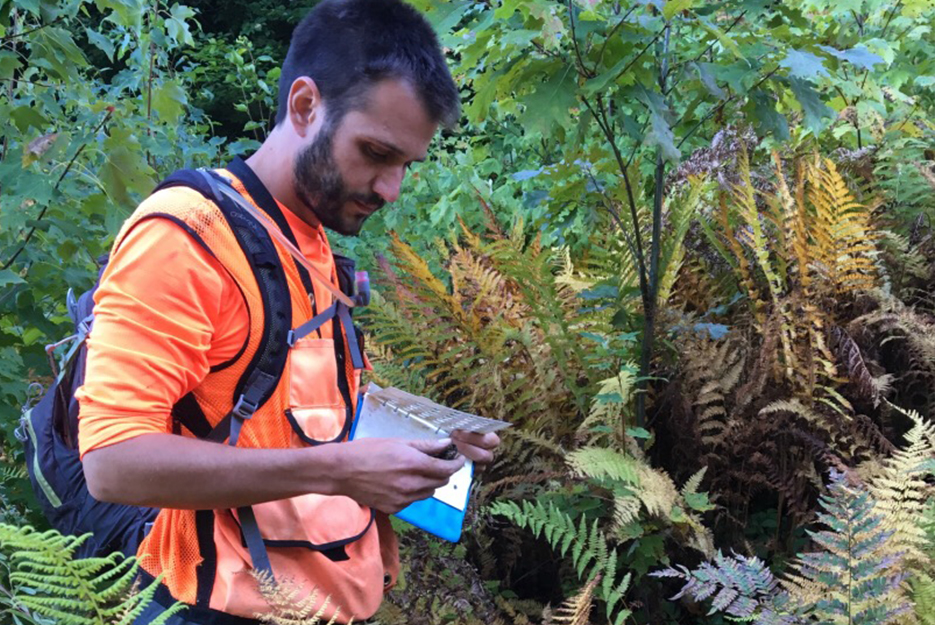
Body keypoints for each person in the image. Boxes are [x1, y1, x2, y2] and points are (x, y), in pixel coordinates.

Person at [76, 0, 501, 623]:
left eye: (406, 165)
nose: (391, 190)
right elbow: (112, 463)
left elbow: (296, 410)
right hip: (218, 607)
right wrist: (338, 472)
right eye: (377, 152)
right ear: (305, 107)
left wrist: (423, 439)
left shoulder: (311, 239)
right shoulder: (186, 237)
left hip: (317, 598)